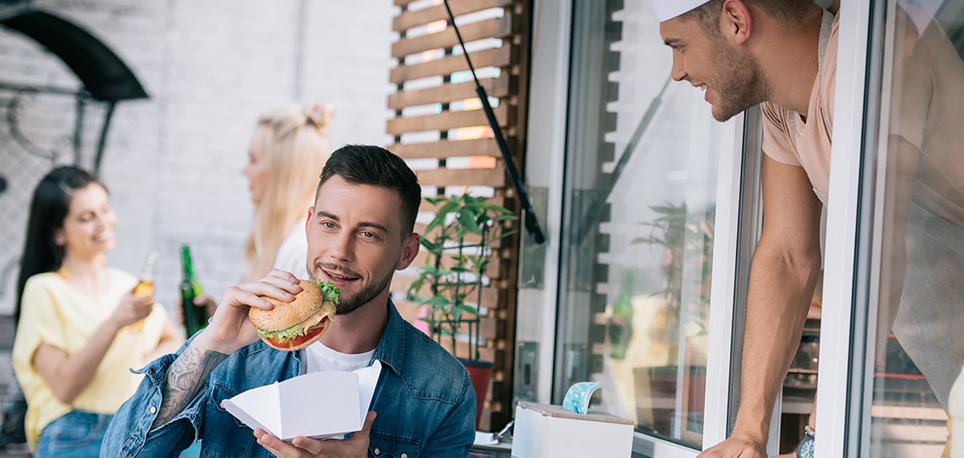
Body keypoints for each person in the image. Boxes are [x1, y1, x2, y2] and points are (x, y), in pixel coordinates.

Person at [650, 0, 964, 457]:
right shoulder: (783, 106)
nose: (677, 71)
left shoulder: (874, 56)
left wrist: (816, 443)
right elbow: (787, 255)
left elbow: (878, 252)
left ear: (737, 20)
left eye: (679, 47)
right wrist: (748, 433)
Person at [102, 145, 477, 457]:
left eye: (367, 234)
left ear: (406, 252)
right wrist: (212, 342)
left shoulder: (444, 390)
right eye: (329, 225)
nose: (339, 252)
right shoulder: (237, 356)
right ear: (309, 224)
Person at [11, 166, 184, 456]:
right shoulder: (44, 290)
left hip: (133, 424)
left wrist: (135, 372)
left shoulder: (127, 285)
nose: (103, 222)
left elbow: (173, 338)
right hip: (74, 433)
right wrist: (114, 322)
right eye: (86, 217)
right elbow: (65, 387)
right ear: (57, 232)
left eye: (105, 209)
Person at [188, 102, 335, 319]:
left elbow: (294, 346)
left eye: (253, 159)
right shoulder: (287, 242)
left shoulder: (300, 253)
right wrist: (220, 318)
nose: (245, 170)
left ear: (283, 171)